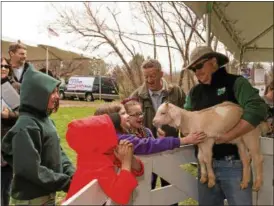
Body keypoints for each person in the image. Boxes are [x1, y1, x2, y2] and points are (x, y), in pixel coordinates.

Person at [184, 46, 268, 206]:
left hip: (234, 165)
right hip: (206, 166)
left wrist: (231, 135)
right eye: (193, 69)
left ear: (213, 62)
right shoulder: (193, 93)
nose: (196, 71)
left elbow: (257, 108)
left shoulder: (236, 83)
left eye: (199, 66)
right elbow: (186, 119)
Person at [1, 67, 75, 205]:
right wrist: (65, 182)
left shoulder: (45, 120)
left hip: (47, 194)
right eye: (52, 92)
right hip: (32, 199)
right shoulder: (25, 126)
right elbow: (30, 170)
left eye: (57, 91)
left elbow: (58, 151)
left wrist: (72, 173)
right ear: (38, 94)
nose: (57, 96)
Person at [130, 59, 186, 198]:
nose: (148, 80)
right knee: (147, 190)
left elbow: (186, 116)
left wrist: (185, 138)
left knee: (172, 190)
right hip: (147, 152)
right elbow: (128, 123)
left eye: (152, 76)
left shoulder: (176, 92)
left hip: (170, 149)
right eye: (146, 76)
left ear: (161, 74)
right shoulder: (136, 96)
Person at [64, 114, 144, 205]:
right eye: (113, 132)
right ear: (100, 138)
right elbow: (121, 196)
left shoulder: (94, 155)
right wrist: (126, 163)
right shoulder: (96, 166)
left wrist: (129, 157)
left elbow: (139, 169)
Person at [94, 102, 206, 155]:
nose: (127, 116)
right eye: (123, 113)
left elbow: (152, 142)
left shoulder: (113, 136)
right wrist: (185, 140)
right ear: (112, 119)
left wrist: (160, 139)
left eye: (140, 113)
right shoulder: (121, 140)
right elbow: (148, 145)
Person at [1, 57, 19, 206]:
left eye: (6, 66)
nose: (4, 68)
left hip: (7, 141)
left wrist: (10, 115)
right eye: (1, 65)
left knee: (5, 187)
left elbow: (25, 113)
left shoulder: (16, 87)